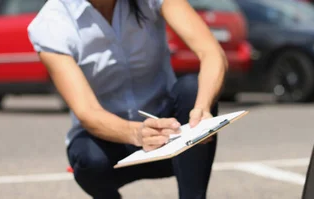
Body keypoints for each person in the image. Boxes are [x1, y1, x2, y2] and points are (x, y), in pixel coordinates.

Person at [26, 0, 227, 198]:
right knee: (88, 159)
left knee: (192, 89)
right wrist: (137, 133)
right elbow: (87, 112)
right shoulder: (51, 22)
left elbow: (211, 52)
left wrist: (202, 107)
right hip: (111, 141)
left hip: (169, 131)